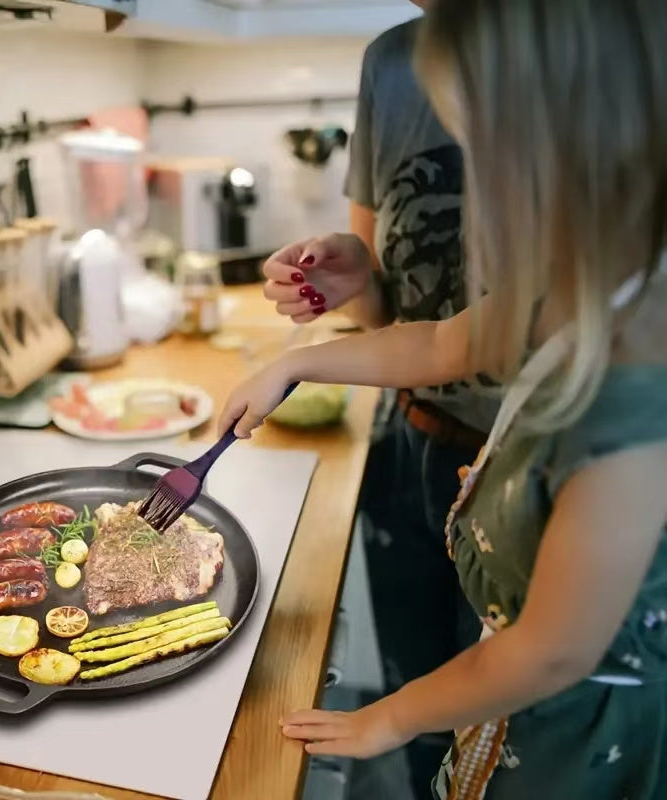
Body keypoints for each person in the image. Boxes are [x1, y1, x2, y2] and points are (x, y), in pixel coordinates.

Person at [221, 0, 667, 796]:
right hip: (507, 719)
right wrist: (296, 366)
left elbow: (551, 651)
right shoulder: (575, 295)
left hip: (573, 745)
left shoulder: (634, 395)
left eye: (487, 152)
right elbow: (435, 343)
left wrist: (391, 717)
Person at [262, 2, 489, 789]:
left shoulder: (616, 47)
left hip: (532, 474)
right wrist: (351, 276)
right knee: (424, 717)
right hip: (416, 444)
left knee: (504, 740)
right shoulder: (394, 61)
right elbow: (407, 322)